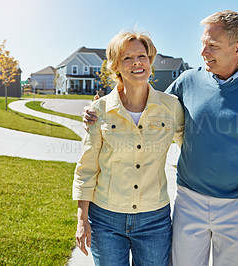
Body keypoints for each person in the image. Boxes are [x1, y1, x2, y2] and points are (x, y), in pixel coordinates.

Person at [83, 10, 238, 265]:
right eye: (203, 43)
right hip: (190, 201)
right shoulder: (187, 81)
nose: (203, 52)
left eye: (212, 46)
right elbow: (148, 106)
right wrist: (102, 108)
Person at [73, 30, 184, 266]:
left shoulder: (171, 107)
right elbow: (87, 168)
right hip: (106, 219)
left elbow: (192, 148)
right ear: (116, 67)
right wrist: (82, 218)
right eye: (127, 58)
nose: (136, 62)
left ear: (150, 61)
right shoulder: (99, 110)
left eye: (142, 56)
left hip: (155, 219)